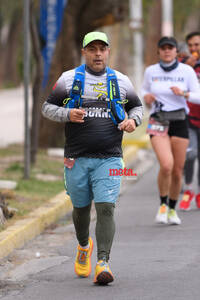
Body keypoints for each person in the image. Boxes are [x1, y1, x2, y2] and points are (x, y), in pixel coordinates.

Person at [42, 31, 143, 285]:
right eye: (92, 49)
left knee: (106, 208)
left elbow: (136, 107)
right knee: (81, 209)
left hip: (110, 157)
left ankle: (103, 263)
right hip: (76, 157)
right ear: (84, 52)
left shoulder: (121, 80)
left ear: (108, 51)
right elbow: (47, 108)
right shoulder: (68, 79)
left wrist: (133, 121)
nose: (98, 53)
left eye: (102, 49)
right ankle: (84, 245)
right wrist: (67, 114)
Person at [141, 36, 200, 225]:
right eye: (163, 48)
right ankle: (163, 205)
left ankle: (173, 209)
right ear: (158, 51)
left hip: (180, 120)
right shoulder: (151, 71)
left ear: (176, 51)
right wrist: (147, 97)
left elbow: (198, 96)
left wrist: (184, 93)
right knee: (166, 164)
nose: (167, 51)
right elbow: (143, 90)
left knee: (177, 170)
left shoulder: (186, 71)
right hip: (158, 119)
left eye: (170, 48)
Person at [178, 32, 200, 211]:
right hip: (188, 119)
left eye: (197, 45)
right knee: (190, 154)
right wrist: (187, 67)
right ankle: (188, 190)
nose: (193, 49)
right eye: (191, 45)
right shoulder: (182, 66)